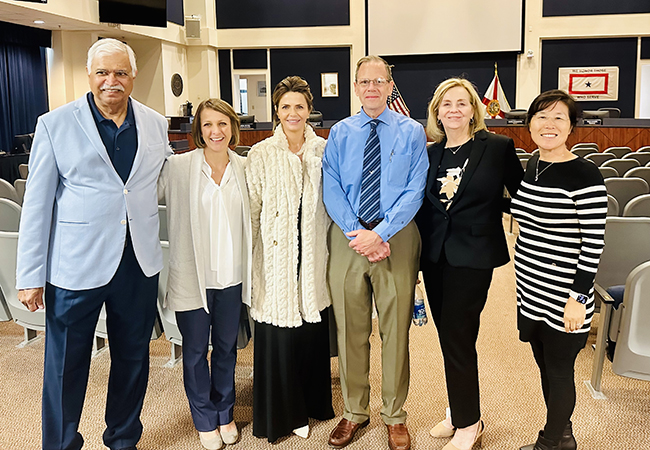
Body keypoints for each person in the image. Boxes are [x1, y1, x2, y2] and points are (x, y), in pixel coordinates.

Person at [15, 38, 171, 450]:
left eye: (120, 72)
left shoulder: (155, 123)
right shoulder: (55, 124)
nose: (111, 81)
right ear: (90, 75)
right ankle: (62, 443)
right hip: (75, 266)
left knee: (133, 360)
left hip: (137, 263)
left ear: (132, 76)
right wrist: (30, 275)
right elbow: (36, 206)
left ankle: (123, 438)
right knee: (66, 365)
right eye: (103, 72)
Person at [322, 55, 428, 450]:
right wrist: (357, 231)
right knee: (350, 329)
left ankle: (395, 416)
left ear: (389, 86)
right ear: (355, 86)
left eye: (379, 81)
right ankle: (353, 412)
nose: (371, 88)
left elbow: (415, 189)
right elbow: (330, 183)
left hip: (396, 239)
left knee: (395, 330)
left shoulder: (412, 131)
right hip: (349, 240)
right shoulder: (341, 132)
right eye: (364, 81)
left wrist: (379, 233)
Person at [415, 77, 523, 450]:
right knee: (449, 337)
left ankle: (469, 423)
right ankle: (459, 409)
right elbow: (422, 206)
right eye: (447, 104)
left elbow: (520, 196)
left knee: (459, 336)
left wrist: (494, 213)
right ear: (437, 112)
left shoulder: (497, 147)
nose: (454, 110)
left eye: (462, 103)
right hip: (434, 256)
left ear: (474, 109)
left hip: (474, 255)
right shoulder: (430, 152)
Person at [511, 90, 607, 450]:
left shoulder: (585, 174)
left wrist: (578, 299)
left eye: (558, 118)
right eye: (541, 116)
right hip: (531, 290)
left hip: (565, 294)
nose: (548, 125)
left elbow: (594, 243)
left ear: (571, 127)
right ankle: (563, 435)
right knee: (545, 366)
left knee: (559, 370)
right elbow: (525, 210)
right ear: (530, 123)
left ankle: (551, 442)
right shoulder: (533, 166)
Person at [244, 76, 335, 443]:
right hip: (275, 260)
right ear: (276, 112)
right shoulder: (262, 153)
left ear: (309, 110)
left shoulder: (325, 151)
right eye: (285, 107)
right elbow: (251, 211)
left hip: (314, 259)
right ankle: (285, 413)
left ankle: (312, 403)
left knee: (309, 335)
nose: (292, 113)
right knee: (279, 336)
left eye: (299, 106)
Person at [158, 99, 251, 449]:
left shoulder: (244, 167)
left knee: (227, 349)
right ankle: (204, 417)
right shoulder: (179, 167)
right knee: (195, 352)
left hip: (231, 277)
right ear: (199, 130)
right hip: (192, 278)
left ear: (232, 128)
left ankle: (225, 411)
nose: (216, 131)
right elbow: (144, 196)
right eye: (209, 125)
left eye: (223, 124)